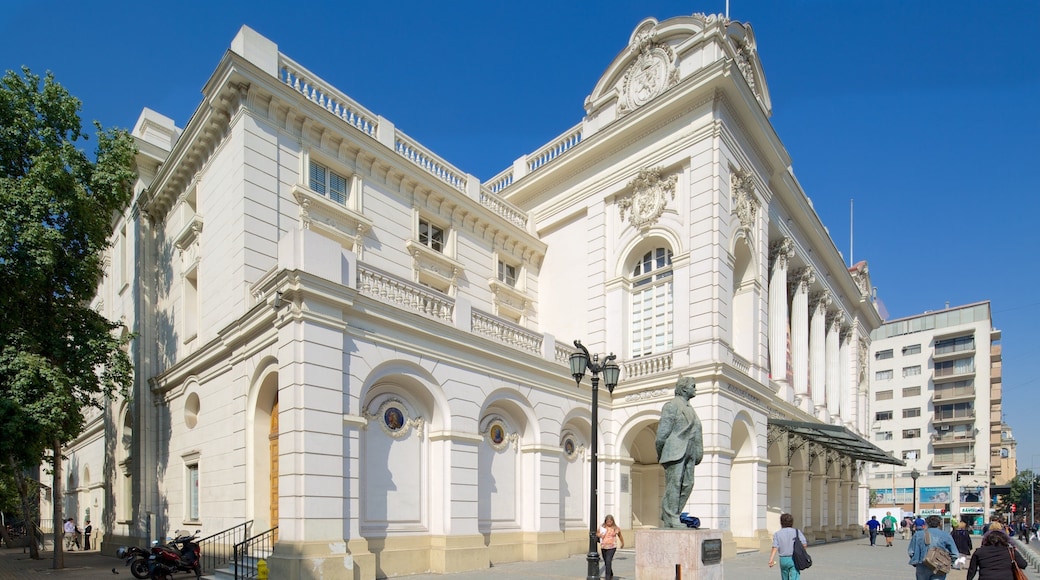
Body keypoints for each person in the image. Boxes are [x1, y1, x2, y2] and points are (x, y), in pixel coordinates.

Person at [655, 377, 703, 528]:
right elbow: (662, 434)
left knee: (688, 484)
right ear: (683, 389)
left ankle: (669, 514)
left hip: (690, 451)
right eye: (693, 386)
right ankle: (672, 517)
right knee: (674, 484)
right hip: (675, 451)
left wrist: (698, 451)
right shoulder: (671, 406)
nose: (695, 389)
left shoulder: (690, 408)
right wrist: (663, 453)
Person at [908, 515, 959, 580]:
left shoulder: (918, 534)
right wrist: (948, 563)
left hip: (922, 564)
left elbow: (911, 551)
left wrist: (916, 561)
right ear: (940, 523)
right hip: (939, 565)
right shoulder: (946, 535)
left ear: (926, 523)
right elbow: (955, 554)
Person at [768, 513, 808, 580]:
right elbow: (804, 544)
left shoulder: (777, 534)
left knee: (784, 576)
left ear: (781, 523)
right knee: (795, 576)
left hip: (783, 559)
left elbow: (775, 547)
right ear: (792, 522)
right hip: (794, 558)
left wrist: (771, 559)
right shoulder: (797, 532)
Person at [597, 514, 624, 580]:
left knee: (608, 560)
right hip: (603, 546)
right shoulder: (602, 527)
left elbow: (620, 535)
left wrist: (622, 543)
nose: (609, 523)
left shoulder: (615, 528)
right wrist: (599, 535)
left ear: (613, 521)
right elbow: (597, 533)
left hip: (612, 547)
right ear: (605, 521)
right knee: (606, 561)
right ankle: (611, 573)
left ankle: (608, 577)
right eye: (608, 521)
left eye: (610, 521)